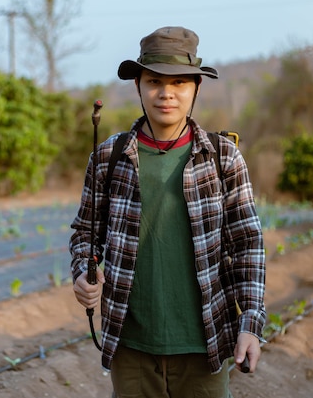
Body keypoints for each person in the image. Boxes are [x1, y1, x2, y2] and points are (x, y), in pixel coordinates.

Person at [69, 26, 266, 397]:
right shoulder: (110, 157)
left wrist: (251, 323)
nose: (167, 93)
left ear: (196, 88)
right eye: (155, 81)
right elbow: (85, 232)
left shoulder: (223, 157)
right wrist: (84, 270)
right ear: (139, 86)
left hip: (205, 341)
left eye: (179, 82)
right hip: (131, 344)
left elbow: (247, 244)